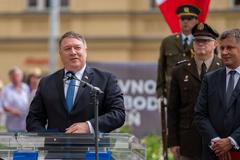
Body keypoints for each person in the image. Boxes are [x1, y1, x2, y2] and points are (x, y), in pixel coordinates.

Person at [26, 31, 125, 133]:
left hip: (92, 147)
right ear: (60, 54)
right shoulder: (46, 83)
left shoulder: (105, 80)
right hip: (56, 148)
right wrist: (47, 137)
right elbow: (33, 119)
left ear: (85, 51)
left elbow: (118, 114)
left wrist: (89, 126)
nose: (73, 52)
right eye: (67, 49)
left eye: (77, 48)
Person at [167, 22, 223, 160]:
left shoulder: (224, 68)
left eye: (205, 41)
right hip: (188, 141)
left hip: (218, 140)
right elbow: (173, 109)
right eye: (197, 40)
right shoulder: (179, 71)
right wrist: (173, 142)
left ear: (215, 44)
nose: (201, 44)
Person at [194, 28, 240, 160]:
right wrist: (217, 143)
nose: (224, 52)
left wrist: (231, 141)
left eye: (230, 48)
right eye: (222, 48)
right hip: (213, 153)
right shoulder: (210, 78)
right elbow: (200, 114)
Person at [156, 4, 200, 98]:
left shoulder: (203, 42)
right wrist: (160, 93)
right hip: (172, 92)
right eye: (182, 18)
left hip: (195, 93)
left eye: (189, 18)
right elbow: (161, 68)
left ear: (196, 20)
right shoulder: (168, 42)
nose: (185, 21)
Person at [2, 67, 30, 132]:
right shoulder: (6, 89)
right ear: (10, 78)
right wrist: (15, 111)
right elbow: (5, 106)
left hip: (25, 124)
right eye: (14, 76)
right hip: (13, 125)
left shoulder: (26, 87)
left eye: (18, 75)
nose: (16, 77)